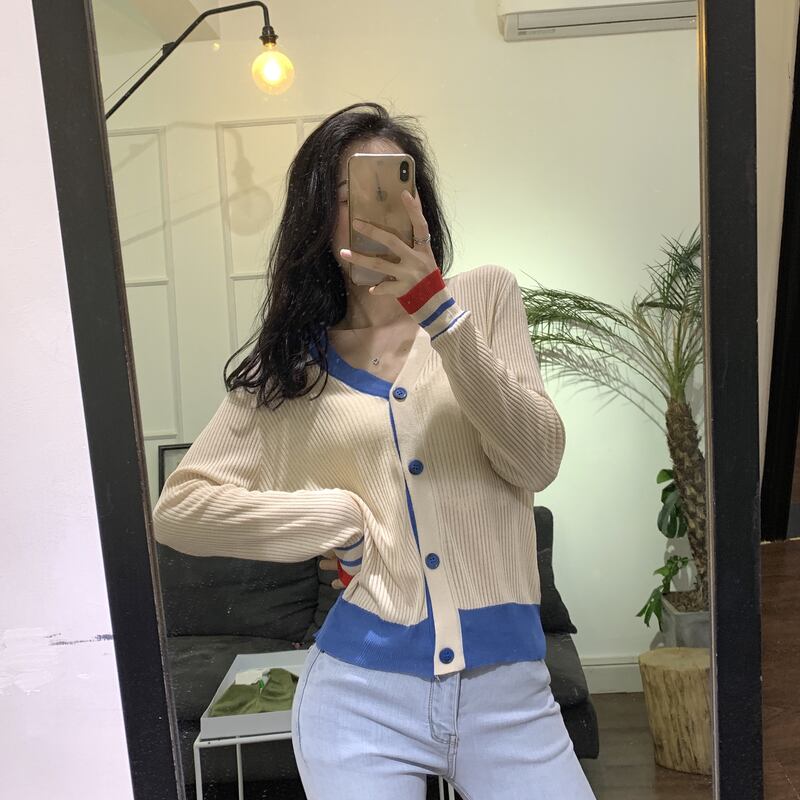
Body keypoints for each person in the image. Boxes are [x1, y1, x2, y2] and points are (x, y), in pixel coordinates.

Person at [152, 102, 596, 799]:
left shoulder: (483, 298)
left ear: (421, 200)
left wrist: (438, 313)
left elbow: (535, 460)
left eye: (398, 183)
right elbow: (179, 511)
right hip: (358, 700)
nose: (380, 206)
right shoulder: (294, 368)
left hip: (510, 697)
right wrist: (335, 520)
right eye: (350, 192)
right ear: (316, 220)